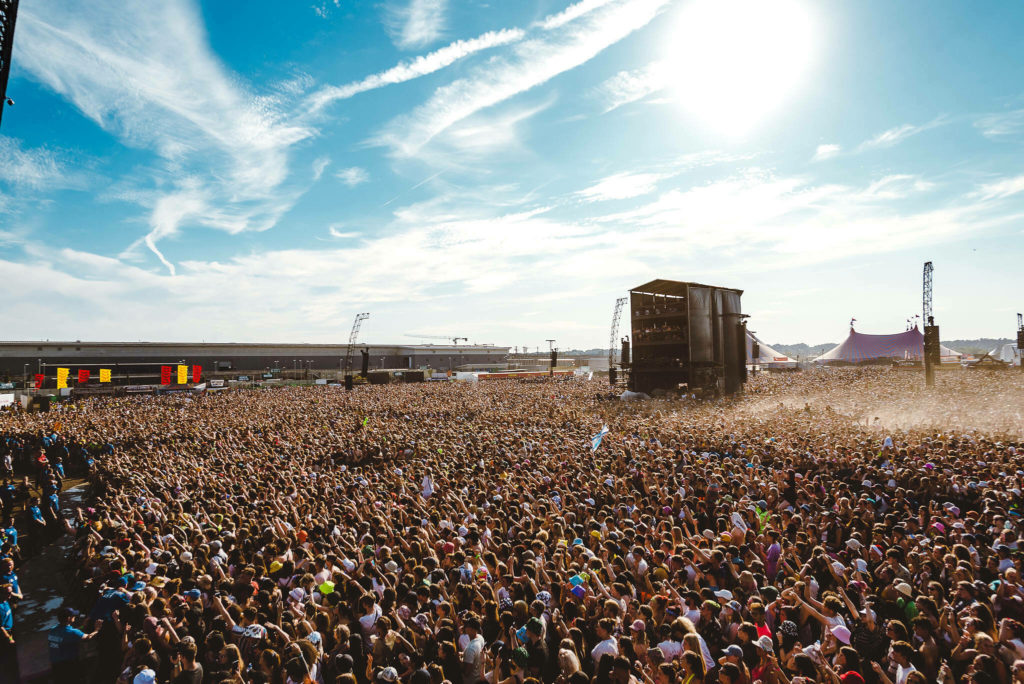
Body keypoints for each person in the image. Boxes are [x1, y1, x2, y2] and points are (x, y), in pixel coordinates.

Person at [47, 607, 103, 683]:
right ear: (69, 618)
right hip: (69, 665)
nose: (75, 617)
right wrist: (97, 629)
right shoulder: (72, 632)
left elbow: (69, 633)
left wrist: (83, 626)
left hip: (55, 665)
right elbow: (88, 637)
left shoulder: (52, 630)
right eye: (73, 615)